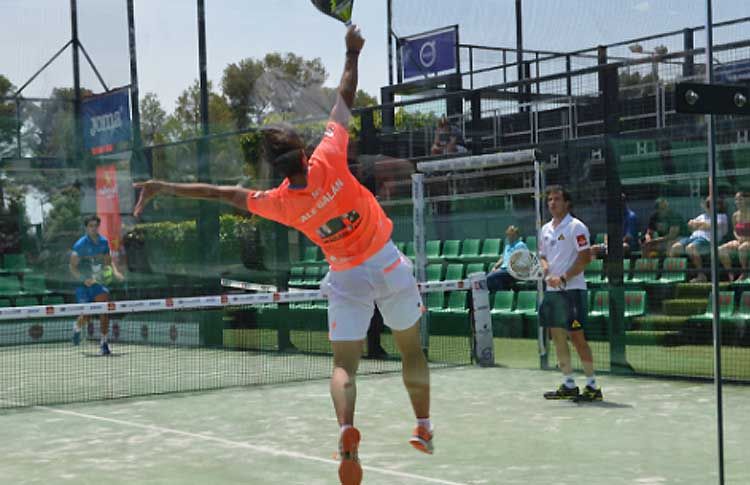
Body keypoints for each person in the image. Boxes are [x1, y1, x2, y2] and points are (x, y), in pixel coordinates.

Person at [132, 26, 431, 485]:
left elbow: (222, 193)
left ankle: (347, 429)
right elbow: (345, 95)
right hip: (387, 261)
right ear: (304, 148)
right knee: (411, 350)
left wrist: (164, 186)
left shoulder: (279, 202)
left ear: (275, 167)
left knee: (343, 367)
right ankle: (423, 427)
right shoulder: (330, 155)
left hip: (346, 276)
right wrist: (351, 52)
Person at [538, 186, 602, 402]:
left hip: (572, 291)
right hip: (552, 292)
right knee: (557, 338)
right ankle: (568, 384)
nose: (552, 203)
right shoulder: (545, 229)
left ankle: (593, 386)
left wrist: (564, 278)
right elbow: (543, 256)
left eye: (557, 199)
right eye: (549, 200)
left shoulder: (577, 227)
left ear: (567, 203)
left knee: (577, 338)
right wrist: (546, 268)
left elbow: (585, 258)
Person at [69, 215, 124, 355]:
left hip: (98, 283)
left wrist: (115, 272)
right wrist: (83, 279)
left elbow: (108, 261)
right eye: (90, 226)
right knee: (87, 315)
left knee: (104, 310)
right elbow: (72, 267)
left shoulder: (104, 242)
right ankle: (77, 327)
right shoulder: (80, 245)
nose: (93, 228)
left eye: (95, 225)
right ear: (86, 228)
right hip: (82, 285)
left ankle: (104, 343)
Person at [669, 196, 728, 283]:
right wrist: (699, 225)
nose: (709, 206)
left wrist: (698, 225)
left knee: (691, 248)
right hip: (692, 238)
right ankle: (677, 275)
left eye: (711, 204)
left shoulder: (721, 216)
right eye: (708, 204)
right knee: (675, 248)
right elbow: (689, 226)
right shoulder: (702, 216)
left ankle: (701, 275)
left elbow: (711, 226)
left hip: (707, 241)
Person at [591, 193, 639, 257]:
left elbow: (628, 237)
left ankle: (615, 266)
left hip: (628, 245)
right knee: (593, 248)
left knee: (622, 247)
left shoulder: (631, 216)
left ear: (623, 203)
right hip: (614, 243)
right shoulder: (615, 216)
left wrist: (614, 243)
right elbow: (608, 233)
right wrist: (607, 243)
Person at [486, 225, 528, 292]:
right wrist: (495, 267)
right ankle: (503, 292)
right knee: (487, 278)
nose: (509, 237)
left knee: (491, 277)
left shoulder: (521, 245)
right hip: (504, 270)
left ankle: (502, 294)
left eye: (512, 235)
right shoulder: (507, 246)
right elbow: (503, 258)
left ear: (516, 235)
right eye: (508, 235)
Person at [719, 191, 750, 282]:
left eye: (740, 199)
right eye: (736, 200)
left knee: (742, 248)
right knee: (721, 249)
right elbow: (734, 230)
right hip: (740, 240)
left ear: (748, 200)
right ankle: (731, 274)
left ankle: (745, 273)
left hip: (747, 242)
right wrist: (738, 238)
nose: (737, 202)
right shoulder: (735, 215)